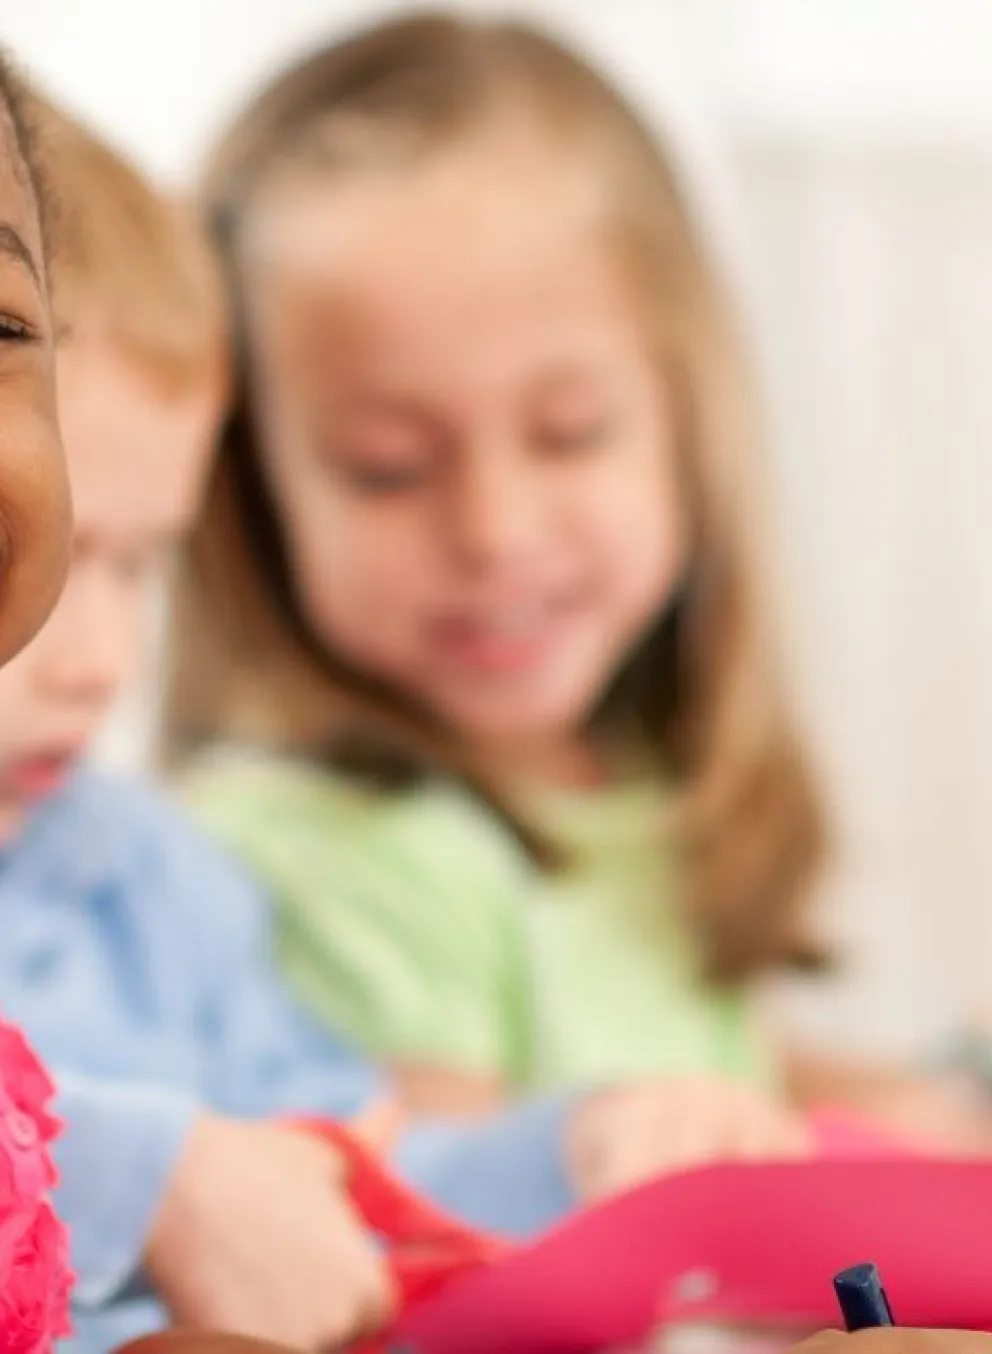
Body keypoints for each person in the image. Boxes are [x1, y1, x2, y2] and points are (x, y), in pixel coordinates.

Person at [169, 11, 984, 1161]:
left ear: (683, 424)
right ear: (251, 491)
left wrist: (918, 1103)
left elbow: (713, 1071)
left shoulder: (619, 780)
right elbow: (440, 1245)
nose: (494, 531)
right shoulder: (325, 852)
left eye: (568, 434)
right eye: (388, 468)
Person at [0, 79, 588, 1354]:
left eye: (141, 564)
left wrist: (577, 1151)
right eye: (63, 549)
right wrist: (133, 1183)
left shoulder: (157, 883)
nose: (100, 660)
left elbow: (346, 1164)